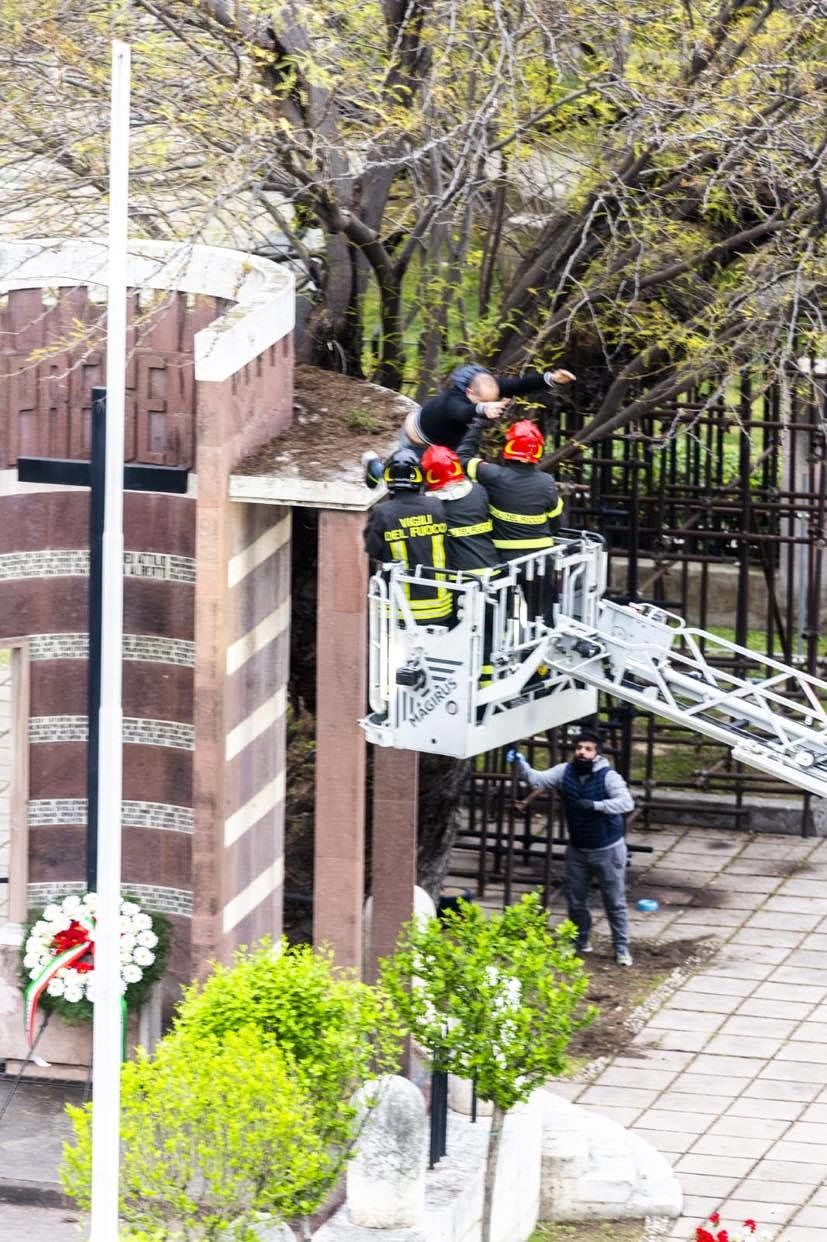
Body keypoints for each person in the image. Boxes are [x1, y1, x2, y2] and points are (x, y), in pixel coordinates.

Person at [507, 730, 635, 966]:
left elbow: (626, 802)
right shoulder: (564, 771)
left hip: (608, 848)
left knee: (614, 901)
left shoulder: (609, 777)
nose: (582, 752)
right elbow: (537, 780)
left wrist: (597, 805)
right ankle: (580, 942)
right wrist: (520, 763)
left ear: (597, 754)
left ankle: (621, 948)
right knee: (575, 900)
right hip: (577, 848)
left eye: (588, 749)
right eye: (579, 748)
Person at [362, 363, 575, 486]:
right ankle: (375, 468)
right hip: (417, 441)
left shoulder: (488, 387)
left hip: (445, 444)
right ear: (470, 392)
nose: (489, 403)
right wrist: (482, 409)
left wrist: (552, 378)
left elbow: (520, 385)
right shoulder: (454, 401)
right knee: (405, 479)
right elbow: (462, 413)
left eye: (493, 399)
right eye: (483, 401)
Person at [457, 416, 562, 623]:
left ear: (509, 447)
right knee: (542, 620)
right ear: (538, 451)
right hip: (540, 561)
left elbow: (461, 459)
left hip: (503, 561)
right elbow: (557, 522)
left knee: (499, 616)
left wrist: (477, 426)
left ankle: (500, 650)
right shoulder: (547, 482)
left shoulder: (493, 475)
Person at [421, 443, 501, 684]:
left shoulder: (433, 507)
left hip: (459, 583)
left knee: (458, 637)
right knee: (489, 635)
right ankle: (487, 687)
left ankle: (464, 685)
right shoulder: (479, 492)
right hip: (492, 576)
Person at [362, 447, 452, 624]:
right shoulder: (436, 506)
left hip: (400, 611)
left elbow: (373, 550)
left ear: (388, 478)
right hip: (441, 608)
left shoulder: (382, 513)